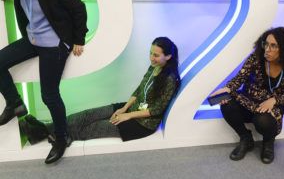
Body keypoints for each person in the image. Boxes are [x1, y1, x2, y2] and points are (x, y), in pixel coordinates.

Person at [19, 37, 180, 157]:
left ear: (168, 56)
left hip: (142, 124)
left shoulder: (170, 79)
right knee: (86, 115)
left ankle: (44, 131)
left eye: (156, 55)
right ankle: (43, 130)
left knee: (90, 128)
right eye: (151, 53)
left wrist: (127, 115)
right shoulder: (154, 67)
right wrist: (124, 108)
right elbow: (139, 90)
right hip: (131, 108)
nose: (152, 57)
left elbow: (156, 110)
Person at [0, 0, 88, 164]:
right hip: (33, 40)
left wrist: (78, 39)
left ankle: (62, 136)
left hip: (55, 43)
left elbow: (78, 8)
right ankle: (15, 104)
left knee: (48, 95)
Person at [211, 27, 284, 164]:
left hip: (271, 107)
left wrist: (274, 100)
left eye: (273, 46)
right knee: (226, 103)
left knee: (263, 120)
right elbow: (240, 78)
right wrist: (227, 89)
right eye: (266, 44)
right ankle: (245, 138)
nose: (267, 49)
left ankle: (268, 142)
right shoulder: (256, 57)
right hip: (249, 100)